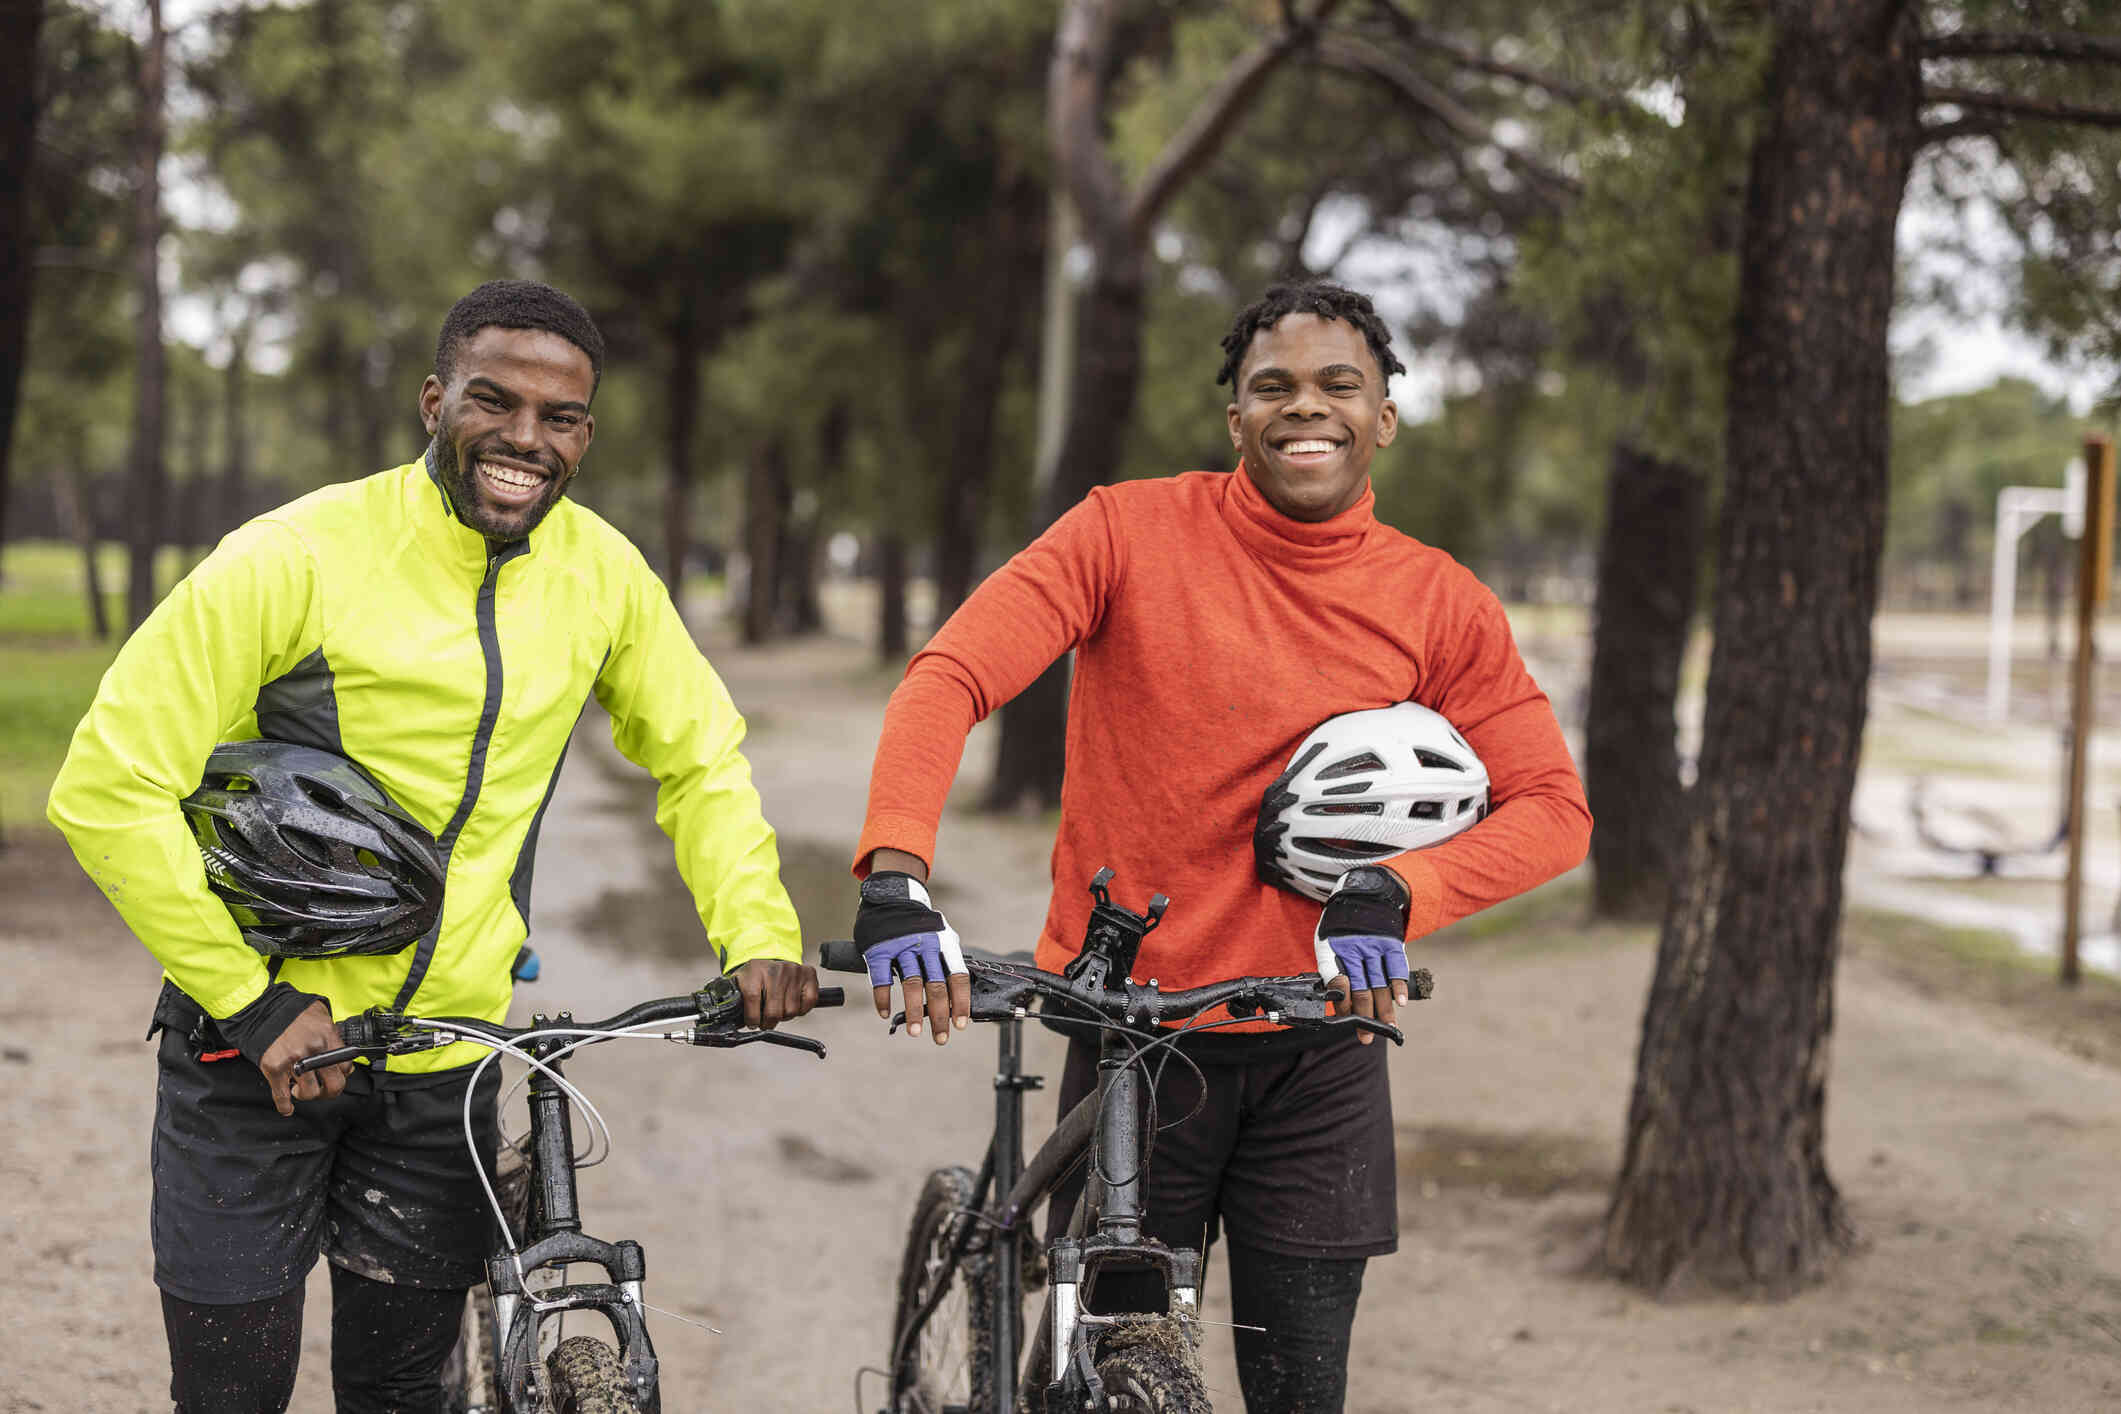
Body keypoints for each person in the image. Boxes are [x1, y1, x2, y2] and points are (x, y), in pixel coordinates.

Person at [47, 279, 821, 1413]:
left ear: (586, 435)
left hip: (442, 1071)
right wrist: (253, 1002)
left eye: (559, 418)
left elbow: (700, 756)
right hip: (251, 1058)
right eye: (493, 402)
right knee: (230, 1393)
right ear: (433, 400)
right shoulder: (299, 553)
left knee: (405, 1394)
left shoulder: (604, 575)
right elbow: (106, 782)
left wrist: (757, 929)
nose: (524, 439)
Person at [850, 281, 1591, 1411]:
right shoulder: (1123, 530)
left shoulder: (1436, 601)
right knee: (1093, 1378)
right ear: (1235, 417)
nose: (1310, 409)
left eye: (1341, 385)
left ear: (1385, 414)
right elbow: (951, 675)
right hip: (1135, 1029)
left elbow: (1552, 805)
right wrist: (898, 872)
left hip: (1321, 1042)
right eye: (1274, 387)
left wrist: (1398, 888)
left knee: (1301, 1388)